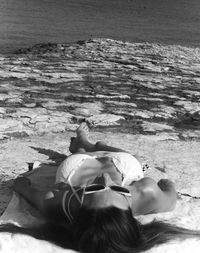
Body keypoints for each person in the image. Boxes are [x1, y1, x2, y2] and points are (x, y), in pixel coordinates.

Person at [1, 123, 200, 253]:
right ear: (130, 212)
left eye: (93, 189)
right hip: (123, 166)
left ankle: (82, 148)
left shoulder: (58, 203)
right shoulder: (148, 194)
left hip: (77, 168)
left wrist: (24, 182)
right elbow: (169, 191)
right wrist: (164, 184)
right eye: (119, 190)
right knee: (132, 160)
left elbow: (22, 187)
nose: (105, 179)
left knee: (77, 157)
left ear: (79, 207)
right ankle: (90, 144)